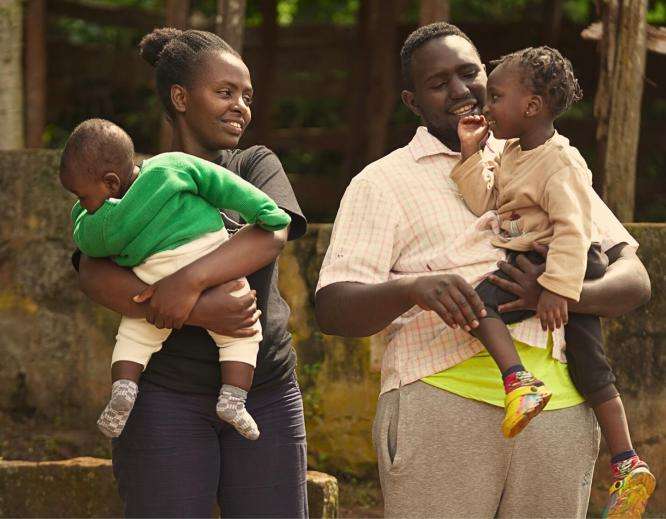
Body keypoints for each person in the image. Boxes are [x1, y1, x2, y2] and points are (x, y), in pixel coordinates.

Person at [315, 23, 652, 518]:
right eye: (438, 83)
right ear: (412, 102)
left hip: (561, 409)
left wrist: (554, 296)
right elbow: (333, 308)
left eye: (470, 73)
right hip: (442, 405)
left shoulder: (545, 157)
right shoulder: (382, 182)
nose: (461, 91)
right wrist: (413, 287)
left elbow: (634, 278)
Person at [73, 28, 308, 517]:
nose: (240, 106)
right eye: (224, 93)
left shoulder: (253, 164)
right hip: (163, 395)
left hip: (262, 391)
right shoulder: (131, 182)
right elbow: (93, 274)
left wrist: (187, 285)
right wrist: (202, 313)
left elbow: (271, 233)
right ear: (180, 97)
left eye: (246, 96)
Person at [451, 45, 655, 513]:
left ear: (531, 106)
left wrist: (559, 291)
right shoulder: (511, 153)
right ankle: (627, 462)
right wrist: (470, 155)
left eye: (496, 97)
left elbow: (575, 228)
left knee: (484, 309)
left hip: (571, 264)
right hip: (542, 266)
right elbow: (488, 202)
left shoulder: (560, 161)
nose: (486, 106)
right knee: (586, 366)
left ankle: (521, 383)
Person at [60, 119, 292, 441]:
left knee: (134, 332)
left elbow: (86, 246)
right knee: (244, 332)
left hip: (153, 277)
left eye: (82, 197)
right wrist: (267, 212)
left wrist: (84, 217)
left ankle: (124, 389)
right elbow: (223, 185)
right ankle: (234, 399)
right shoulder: (170, 167)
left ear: (112, 183)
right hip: (212, 259)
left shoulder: (103, 224)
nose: (82, 204)